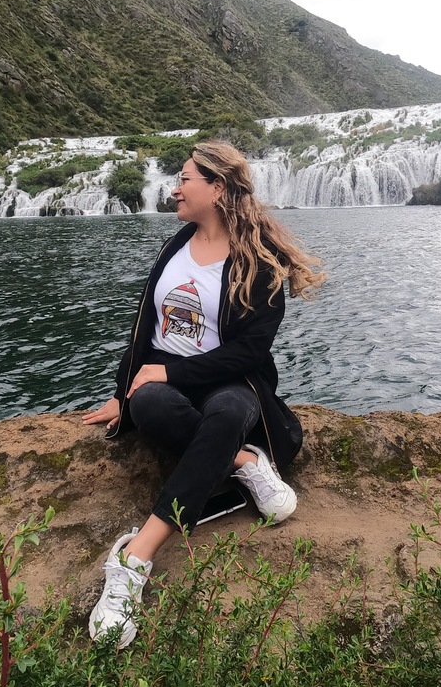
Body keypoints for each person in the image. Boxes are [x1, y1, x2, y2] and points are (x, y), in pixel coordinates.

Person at [81, 140, 324, 648]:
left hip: (232, 380)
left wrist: (173, 373)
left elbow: (249, 353)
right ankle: (243, 461)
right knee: (150, 404)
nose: (175, 189)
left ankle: (136, 556)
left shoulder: (259, 263)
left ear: (217, 188)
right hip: (163, 378)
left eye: (185, 179)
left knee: (230, 412)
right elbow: (143, 328)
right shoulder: (175, 245)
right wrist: (123, 394)